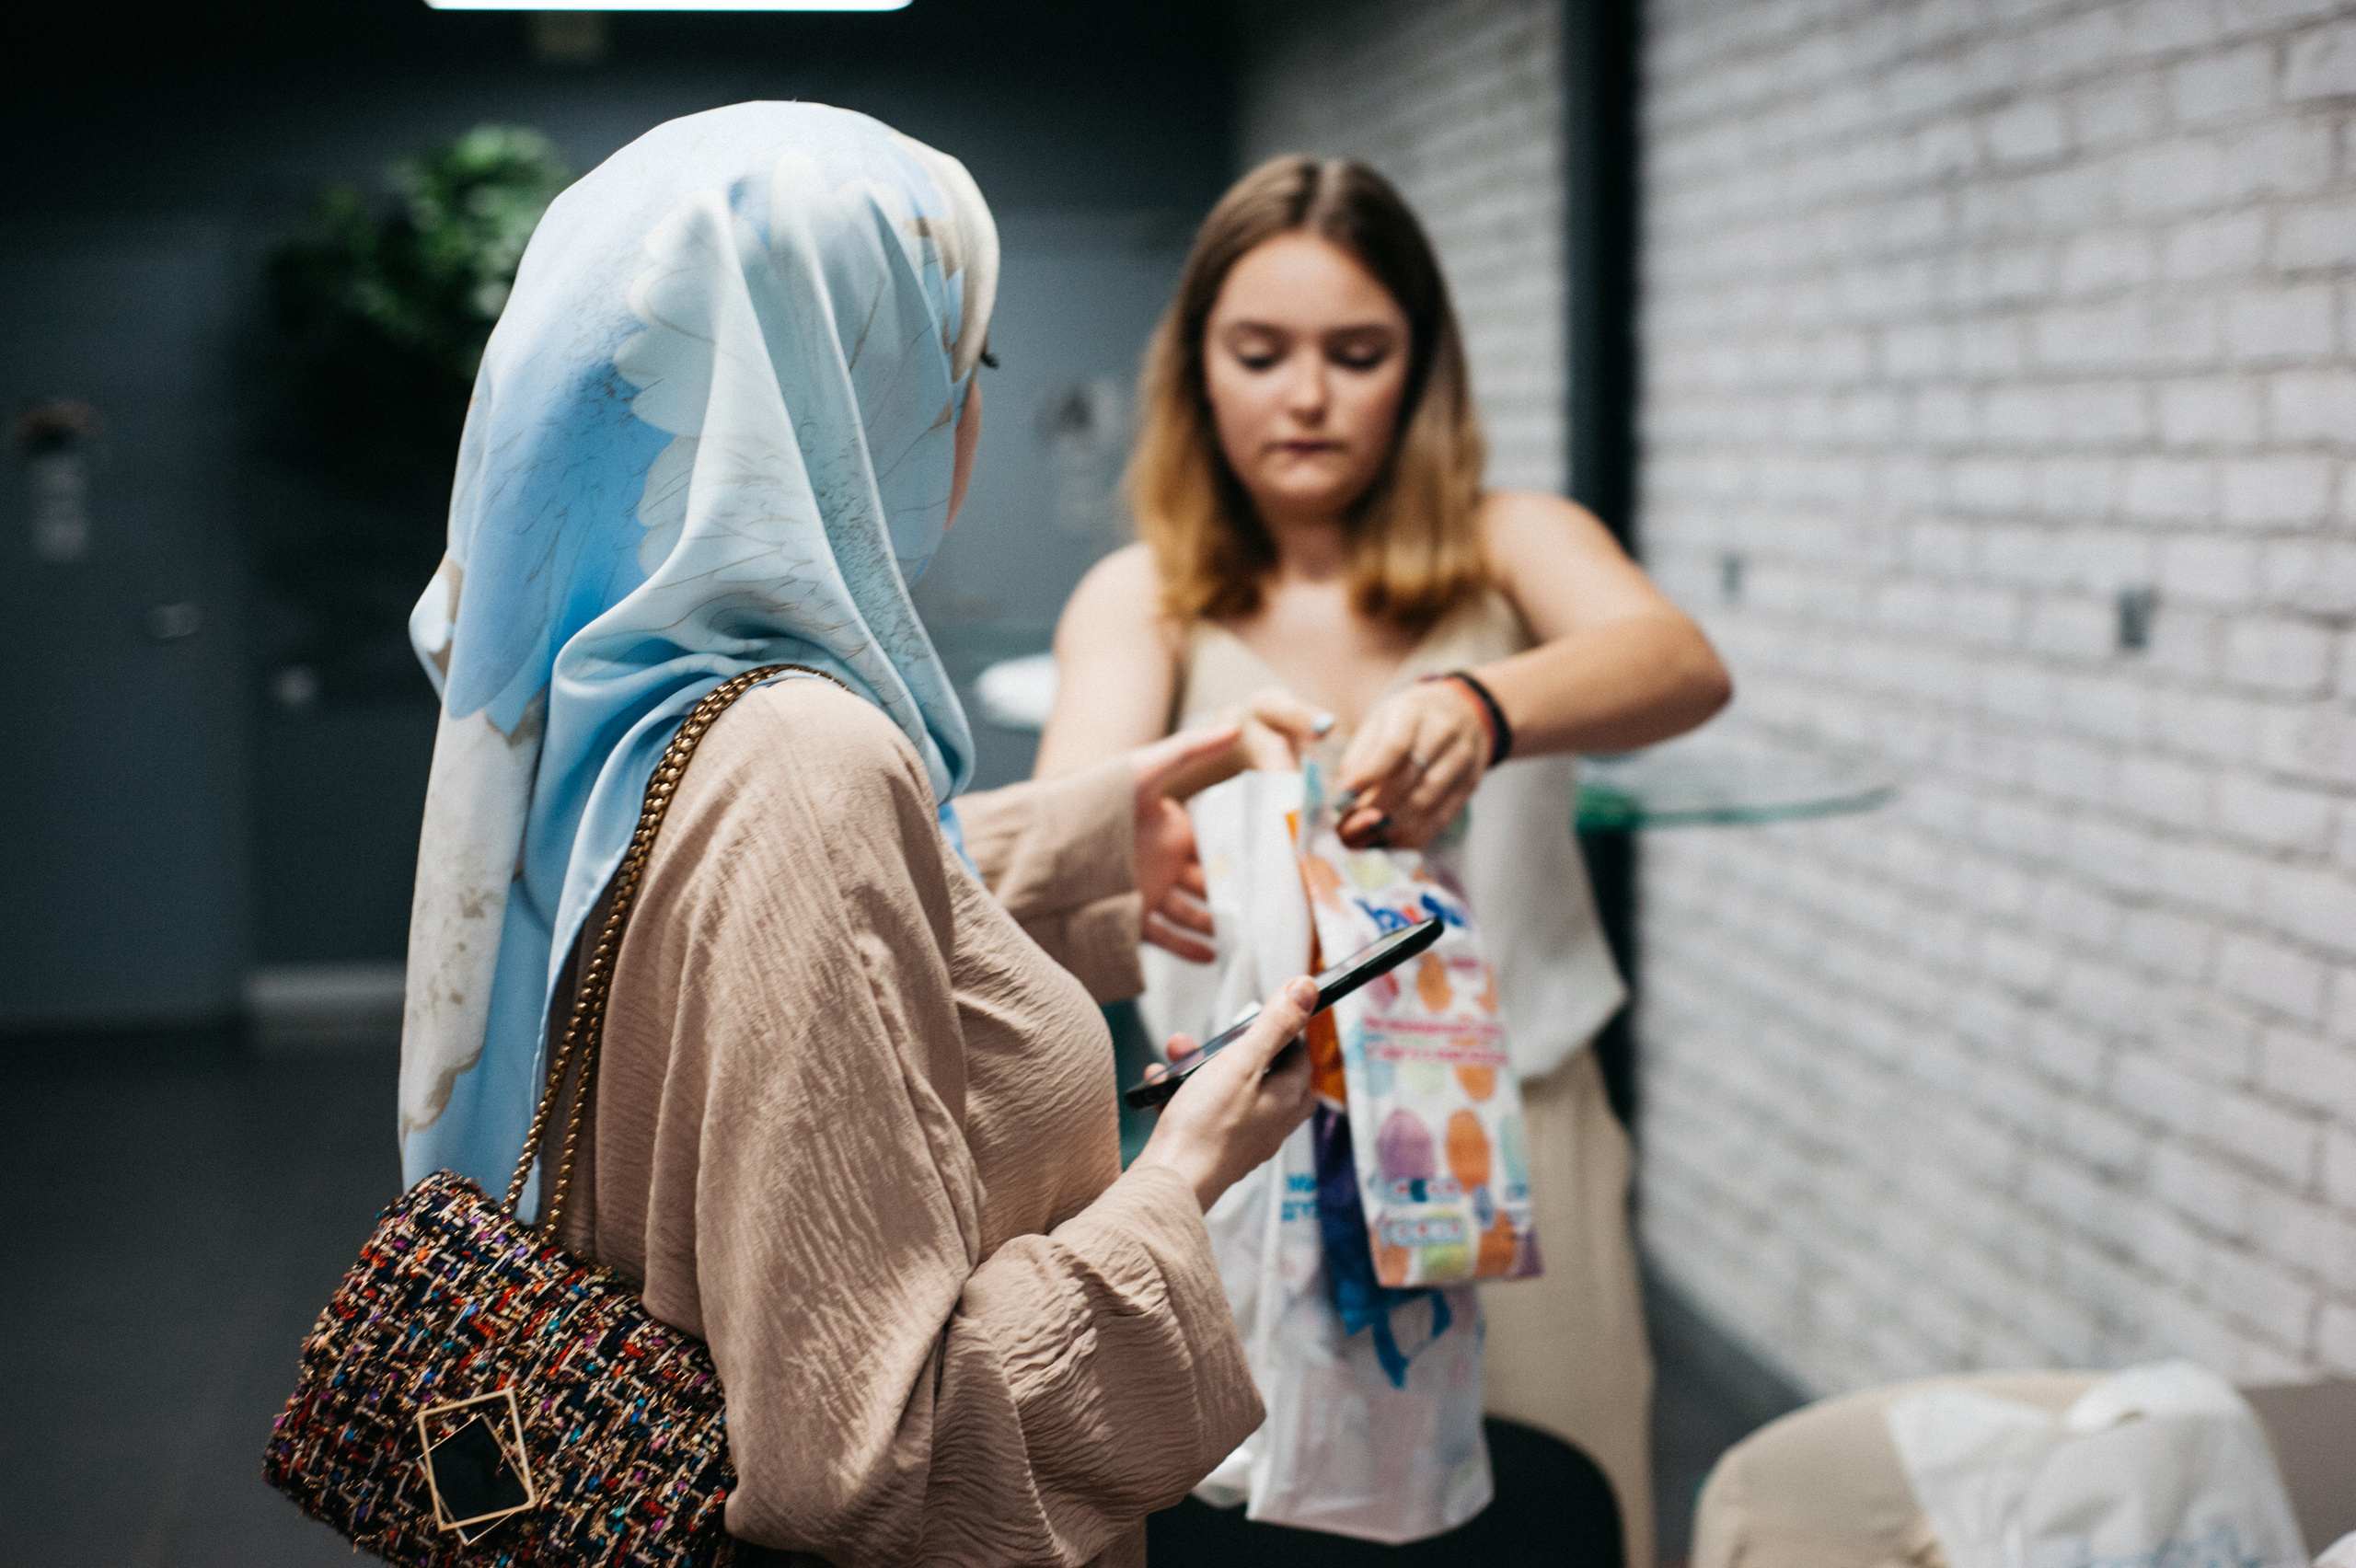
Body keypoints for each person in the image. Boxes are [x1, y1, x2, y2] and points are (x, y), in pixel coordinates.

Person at [398, 103, 1322, 1567]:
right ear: (842, 402)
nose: (966, 425)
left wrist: (1081, 834)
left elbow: (739, 963)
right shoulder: (807, 764)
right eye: (961, 367)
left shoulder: (588, 699)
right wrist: (1184, 1176)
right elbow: (877, 1466)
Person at [1035, 156, 1733, 1568]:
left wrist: (1487, 708)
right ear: (1199, 373)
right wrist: (1117, 823)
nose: (1308, 397)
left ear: (1420, 369)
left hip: (1512, 1141)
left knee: (1556, 1516)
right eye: (1261, 353)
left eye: (1358, 355)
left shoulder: (1510, 545)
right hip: (1245, 1158)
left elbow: (1679, 664)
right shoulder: (1147, 595)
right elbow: (1062, 822)